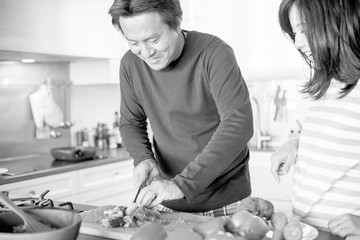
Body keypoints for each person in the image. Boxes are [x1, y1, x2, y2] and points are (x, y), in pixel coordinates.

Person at [108, 0, 253, 217]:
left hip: (226, 202)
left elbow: (238, 123)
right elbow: (131, 122)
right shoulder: (130, 64)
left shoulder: (214, 53)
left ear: (176, 24)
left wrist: (181, 185)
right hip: (165, 199)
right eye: (134, 42)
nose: (146, 52)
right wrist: (143, 158)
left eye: (154, 40)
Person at [271, 0, 360, 238]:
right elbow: (327, 136)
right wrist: (295, 144)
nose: (298, 42)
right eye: (295, 32)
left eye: (304, 29)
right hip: (306, 229)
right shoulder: (327, 84)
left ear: (336, 22)